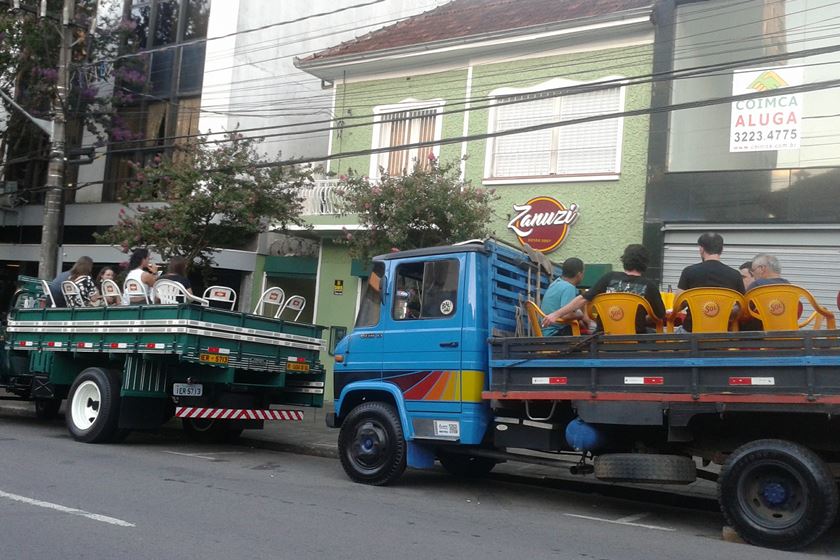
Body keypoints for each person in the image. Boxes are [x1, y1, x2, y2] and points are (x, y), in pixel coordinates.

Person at [542, 244, 665, 334]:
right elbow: (659, 316)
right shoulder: (650, 286)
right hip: (635, 341)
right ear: (645, 263)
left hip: (604, 338)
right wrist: (635, 320)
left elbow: (583, 299)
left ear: (624, 260)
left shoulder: (609, 277)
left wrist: (556, 314)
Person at [674, 233, 744, 332]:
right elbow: (742, 308)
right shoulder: (735, 275)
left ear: (701, 249)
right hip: (724, 333)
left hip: (691, 332)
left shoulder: (688, 272)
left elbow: (677, 305)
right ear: (721, 250)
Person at [541, 257, 586, 336]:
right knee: (592, 339)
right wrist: (580, 314)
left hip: (544, 331)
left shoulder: (555, 283)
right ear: (579, 274)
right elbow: (566, 315)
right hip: (555, 333)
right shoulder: (569, 287)